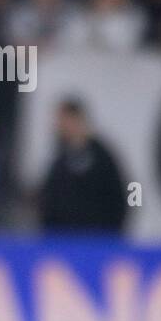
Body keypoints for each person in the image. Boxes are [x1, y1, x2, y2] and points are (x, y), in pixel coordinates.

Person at [39, 99, 128, 234]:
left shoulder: (102, 156)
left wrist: (112, 234)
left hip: (98, 239)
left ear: (77, 119)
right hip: (64, 239)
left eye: (63, 119)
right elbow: (50, 199)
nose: (58, 125)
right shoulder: (60, 159)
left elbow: (117, 198)